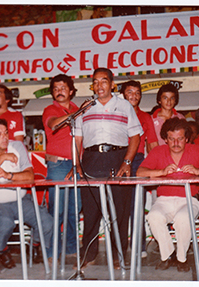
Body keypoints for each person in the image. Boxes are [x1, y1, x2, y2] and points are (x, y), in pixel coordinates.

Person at [67, 67, 143, 270]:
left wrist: (127, 162)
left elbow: (135, 136)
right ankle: (88, 255)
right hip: (91, 159)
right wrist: (78, 164)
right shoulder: (85, 107)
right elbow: (78, 138)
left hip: (118, 158)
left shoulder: (124, 105)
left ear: (111, 84)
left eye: (103, 81)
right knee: (91, 212)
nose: (99, 85)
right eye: (95, 82)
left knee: (119, 210)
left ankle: (119, 256)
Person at [137, 118, 199, 272]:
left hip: (189, 199)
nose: (176, 143)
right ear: (165, 139)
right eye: (171, 139)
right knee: (153, 216)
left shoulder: (196, 150)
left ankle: (181, 258)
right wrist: (161, 172)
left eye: (180, 139)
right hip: (163, 200)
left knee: (183, 218)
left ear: (186, 139)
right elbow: (140, 173)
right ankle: (167, 254)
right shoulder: (158, 151)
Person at [0, 118, 53, 269]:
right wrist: (2, 157)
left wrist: (8, 175)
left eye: (6, 133)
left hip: (20, 199)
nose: (4, 137)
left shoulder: (17, 146)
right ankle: (2, 249)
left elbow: (30, 176)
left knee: (46, 221)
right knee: (5, 223)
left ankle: (35, 245)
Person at [42, 74, 82, 261]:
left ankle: (71, 249)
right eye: (56, 88)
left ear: (71, 91)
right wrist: (77, 113)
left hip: (76, 164)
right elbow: (54, 124)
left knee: (75, 209)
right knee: (56, 210)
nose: (59, 91)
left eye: (63, 88)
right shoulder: (50, 109)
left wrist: (79, 164)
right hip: (57, 164)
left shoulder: (77, 109)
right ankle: (52, 252)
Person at [121, 80, 158, 258]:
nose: (134, 96)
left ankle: (139, 246)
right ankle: (118, 247)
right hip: (117, 159)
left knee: (137, 206)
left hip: (137, 161)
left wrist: (155, 165)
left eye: (137, 93)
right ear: (123, 94)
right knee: (119, 206)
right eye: (130, 92)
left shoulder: (145, 117)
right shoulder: (117, 114)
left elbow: (152, 144)